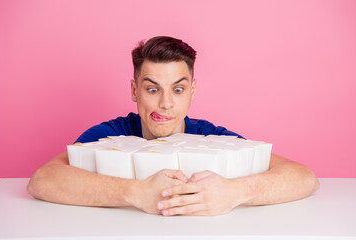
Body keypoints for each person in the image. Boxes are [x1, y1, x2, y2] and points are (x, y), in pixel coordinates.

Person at [27, 36, 320, 216]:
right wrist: (136, 193)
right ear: (134, 90)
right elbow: (43, 180)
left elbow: (303, 177)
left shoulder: (212, 137)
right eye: (152, 89)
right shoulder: (110, 135)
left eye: (177, 90)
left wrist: (234, 192)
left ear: (192, 91)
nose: (166, 104)